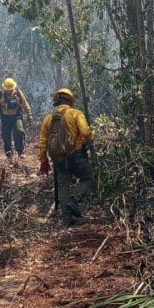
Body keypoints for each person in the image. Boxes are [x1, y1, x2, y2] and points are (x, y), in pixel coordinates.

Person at [38, 87, 93, 225]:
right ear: (70, 101)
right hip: (76, 156)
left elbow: (43, 142)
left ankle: (67, 219)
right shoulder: (75, 113)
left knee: (63, 186)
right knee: (87, 178)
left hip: (58, 159)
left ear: (57, 101)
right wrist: (91, 139)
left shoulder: (48, 119)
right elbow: (86, 133)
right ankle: (74, 200)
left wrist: (44, 161)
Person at [0, 77, 33, 161]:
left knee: (19, 131)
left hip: (17, 116)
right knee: (6, 136)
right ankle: (8, 153)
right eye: (8, 89)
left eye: (11, 89)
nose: (9, 91)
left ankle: (20, 151)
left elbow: (25, 103)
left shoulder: (18, 93)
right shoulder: (0, 94)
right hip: (5, 118)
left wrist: (29, 114)